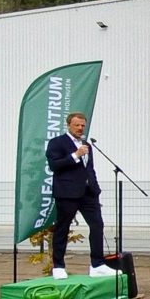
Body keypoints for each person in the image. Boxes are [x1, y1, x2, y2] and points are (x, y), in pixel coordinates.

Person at [46, 112, 115, 278]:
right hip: (67, 193)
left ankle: (97, 264)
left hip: (88, 193)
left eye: (82, 125)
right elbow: (54, 165)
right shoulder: (57, 142)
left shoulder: (86, 145)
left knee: (97, 225)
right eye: (77, 125)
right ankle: (58, 266)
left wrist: (95, 187)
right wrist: (75, 155)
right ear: (69, 125)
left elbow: (89, 168)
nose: (80, 128)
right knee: (63, 228)